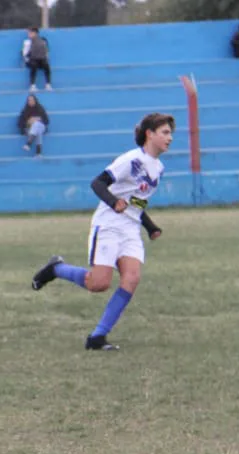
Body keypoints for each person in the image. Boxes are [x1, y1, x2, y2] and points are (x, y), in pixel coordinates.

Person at [31, 113, 174, 351]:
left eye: (170, 133)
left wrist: (150, 226)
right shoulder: (130, 160)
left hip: (130, 229)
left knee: (132, 278)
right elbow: (97, 183)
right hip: (108, 224)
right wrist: (112, 202)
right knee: (98, 284)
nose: (170, 138)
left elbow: (137, 202)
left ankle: (97, 337)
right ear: (150, 134)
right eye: (165, 133)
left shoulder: (158, 168)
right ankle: (56, 268)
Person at [23, 27, 52, 92]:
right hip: (31, 60)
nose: (29, 34)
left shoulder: (43, 41)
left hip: (41, 59)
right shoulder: (27, 42)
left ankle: (48, 84)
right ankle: (32, 85)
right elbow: (25, 54)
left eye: (30, 33)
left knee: (46, 65)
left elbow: (46, 51)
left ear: (35, 33)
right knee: (33, 65)